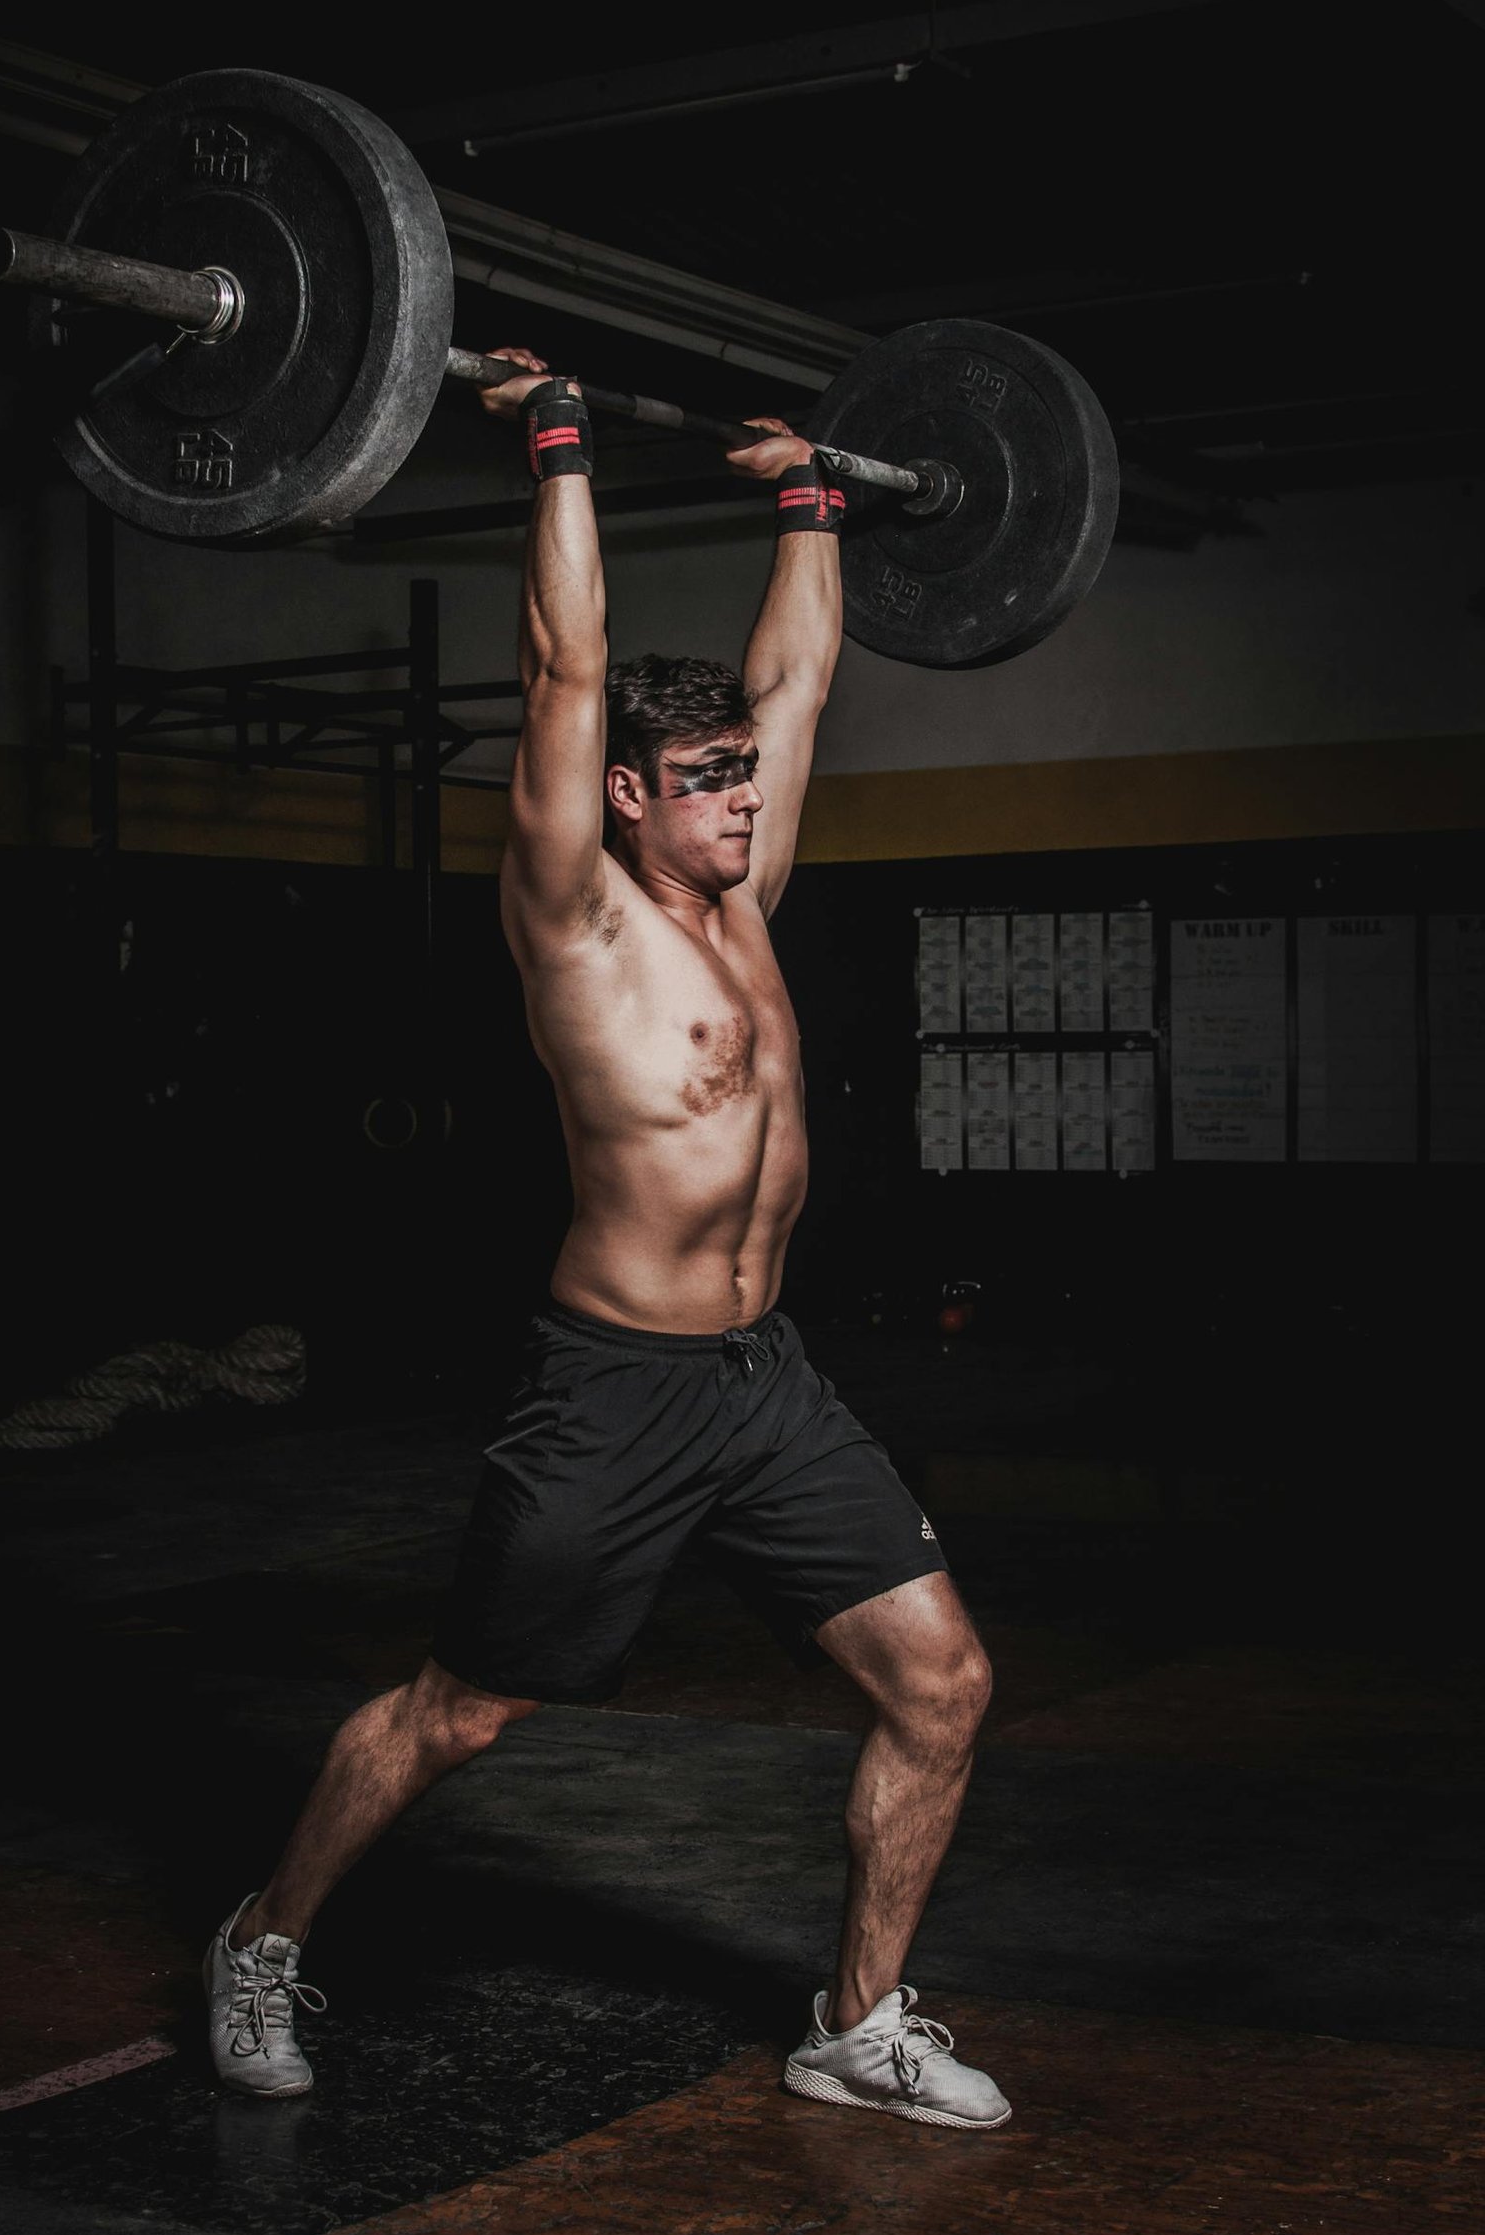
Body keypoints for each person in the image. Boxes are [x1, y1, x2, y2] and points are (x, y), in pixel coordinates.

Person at [205, 350, 1009, 2132]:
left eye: (746, 777)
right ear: (625, 797)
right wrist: (558, 441)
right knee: (462, 1712)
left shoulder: (747, 892)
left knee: (942, 1685)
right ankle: (263, 1934)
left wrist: (814, 498)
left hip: (765, 1378)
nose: (746, 796)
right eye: (708, 778)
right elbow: (565, 667)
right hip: (615, 1390)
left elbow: (797, 678)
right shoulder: (573, 918)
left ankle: (855, 2023)